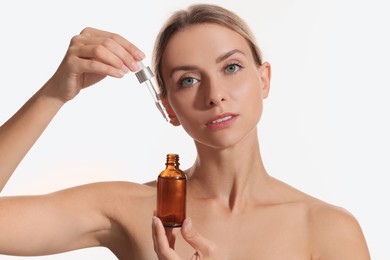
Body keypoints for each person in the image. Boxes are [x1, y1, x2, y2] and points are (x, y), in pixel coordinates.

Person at [0, 3, 370, 259]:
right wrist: (54, 94)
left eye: (231, 68)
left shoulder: (327, 228)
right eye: (188, 79)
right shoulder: (130, 210)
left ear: (264, 80)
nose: (216, 95)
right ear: (168, 108)